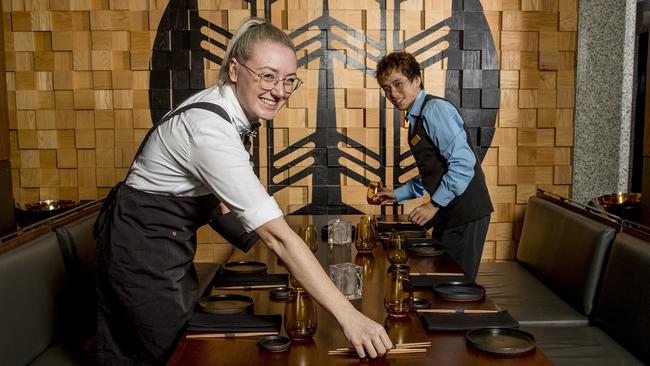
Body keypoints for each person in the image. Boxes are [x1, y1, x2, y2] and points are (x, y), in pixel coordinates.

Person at [95, 17, 392, 365]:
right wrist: (350, 318)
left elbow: (218, 201)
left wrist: (264, 251)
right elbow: (277, 237)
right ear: (235, 70)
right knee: (167, 356)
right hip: (140, 258)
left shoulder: (225, 111)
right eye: (268, 76)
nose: (280, 91)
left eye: (288, 80)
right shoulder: (210, 130)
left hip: (163, 250)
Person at [374, 51, 493, 281]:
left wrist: (433, 204)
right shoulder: (416, 117)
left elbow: (462, 164)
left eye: (398, 84)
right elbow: (435, 171)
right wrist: (398, 193)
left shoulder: (434, 110)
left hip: (465, 212)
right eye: (386, 88)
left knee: (454, 286)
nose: (393, 94)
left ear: (417, 79)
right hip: (449, 211)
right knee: (439, 278)